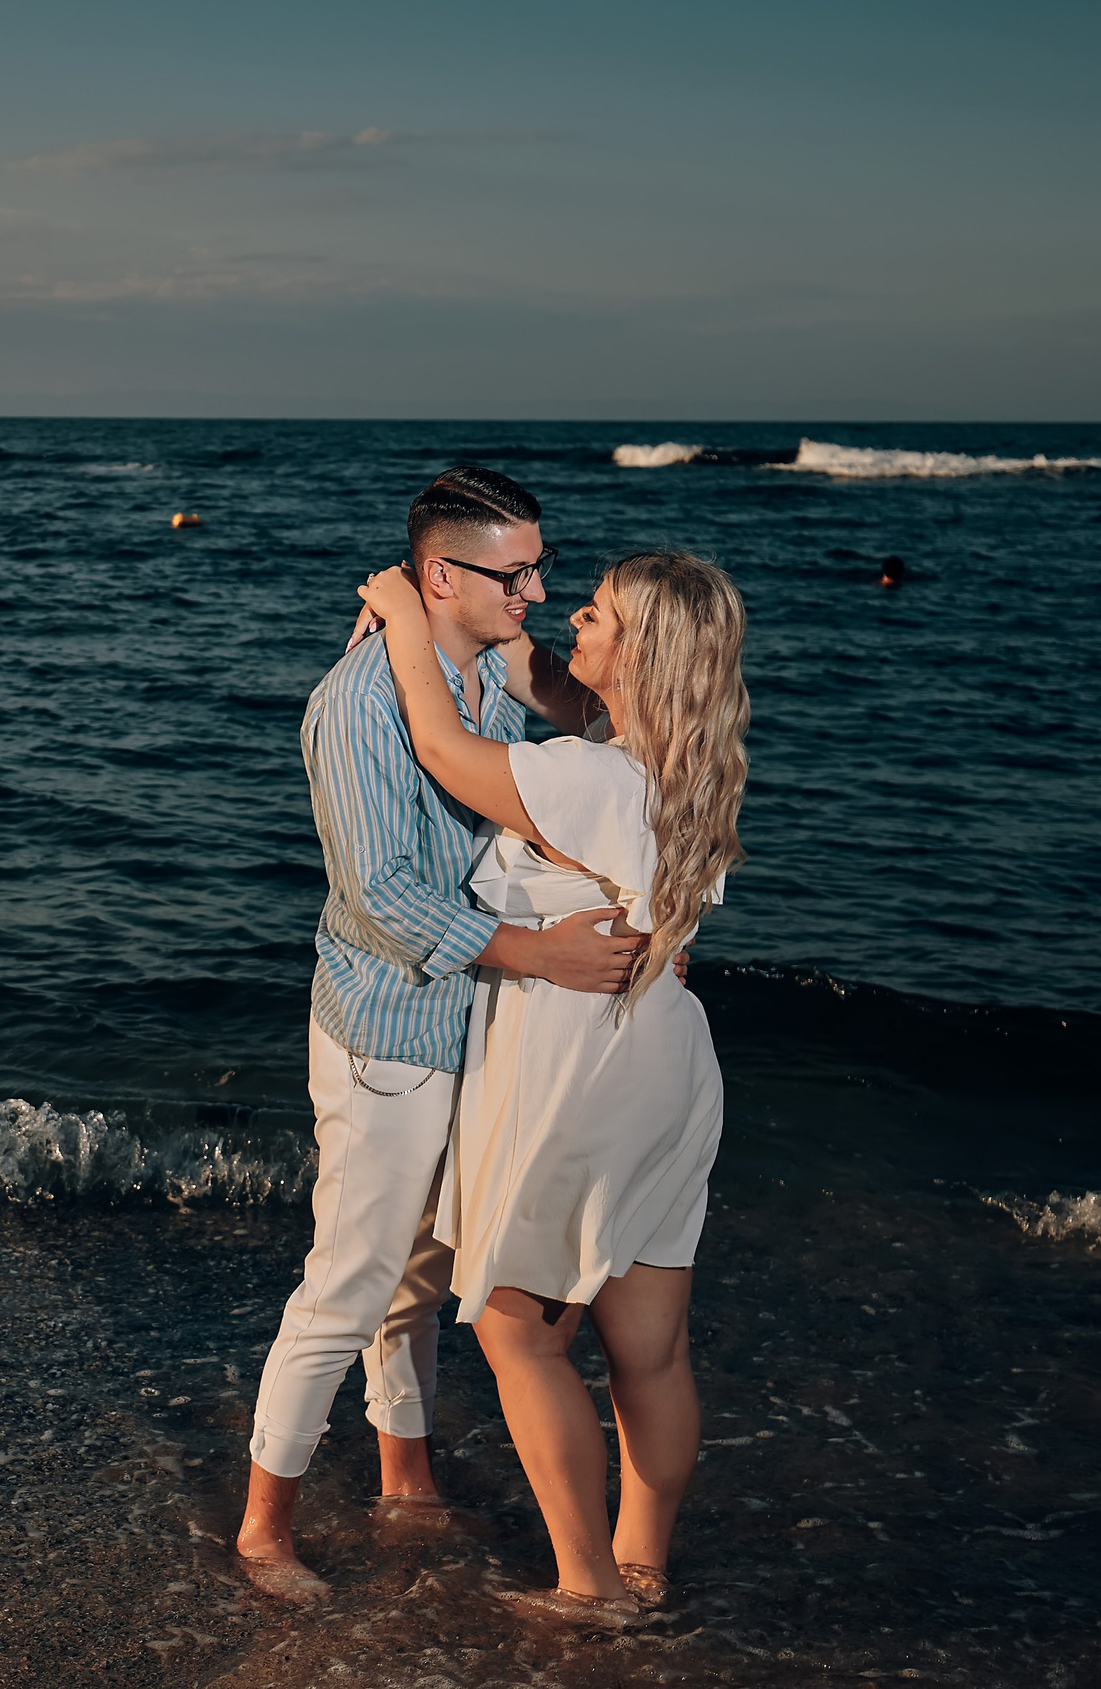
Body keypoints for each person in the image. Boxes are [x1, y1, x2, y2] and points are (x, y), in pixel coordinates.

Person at [234, 467, 647, 1603]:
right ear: (439, 577)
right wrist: (543, 955)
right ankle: (263, 1526)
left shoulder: (478, 676)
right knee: (350, 1278)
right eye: (514, 573)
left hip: (472, 1022)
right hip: (389, 1029)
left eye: (540, 567)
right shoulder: (364, 701)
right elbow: (383, 896)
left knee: (420, 1269)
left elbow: (584, 742)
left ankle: (403, 1470)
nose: (535, 588)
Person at [352, 548, 747, 1620]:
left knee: (518, 1326)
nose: (571, 612)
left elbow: (441, 746)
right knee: (648, 1344)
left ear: (646, 654)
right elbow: (562, 695)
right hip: (665, 1061)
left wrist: (399, 614)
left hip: (576, 1061)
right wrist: (515, 642)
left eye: (600, 613)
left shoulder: (587, 779)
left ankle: (583, 1585)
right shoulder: (687, 772)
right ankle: (639, 1560)